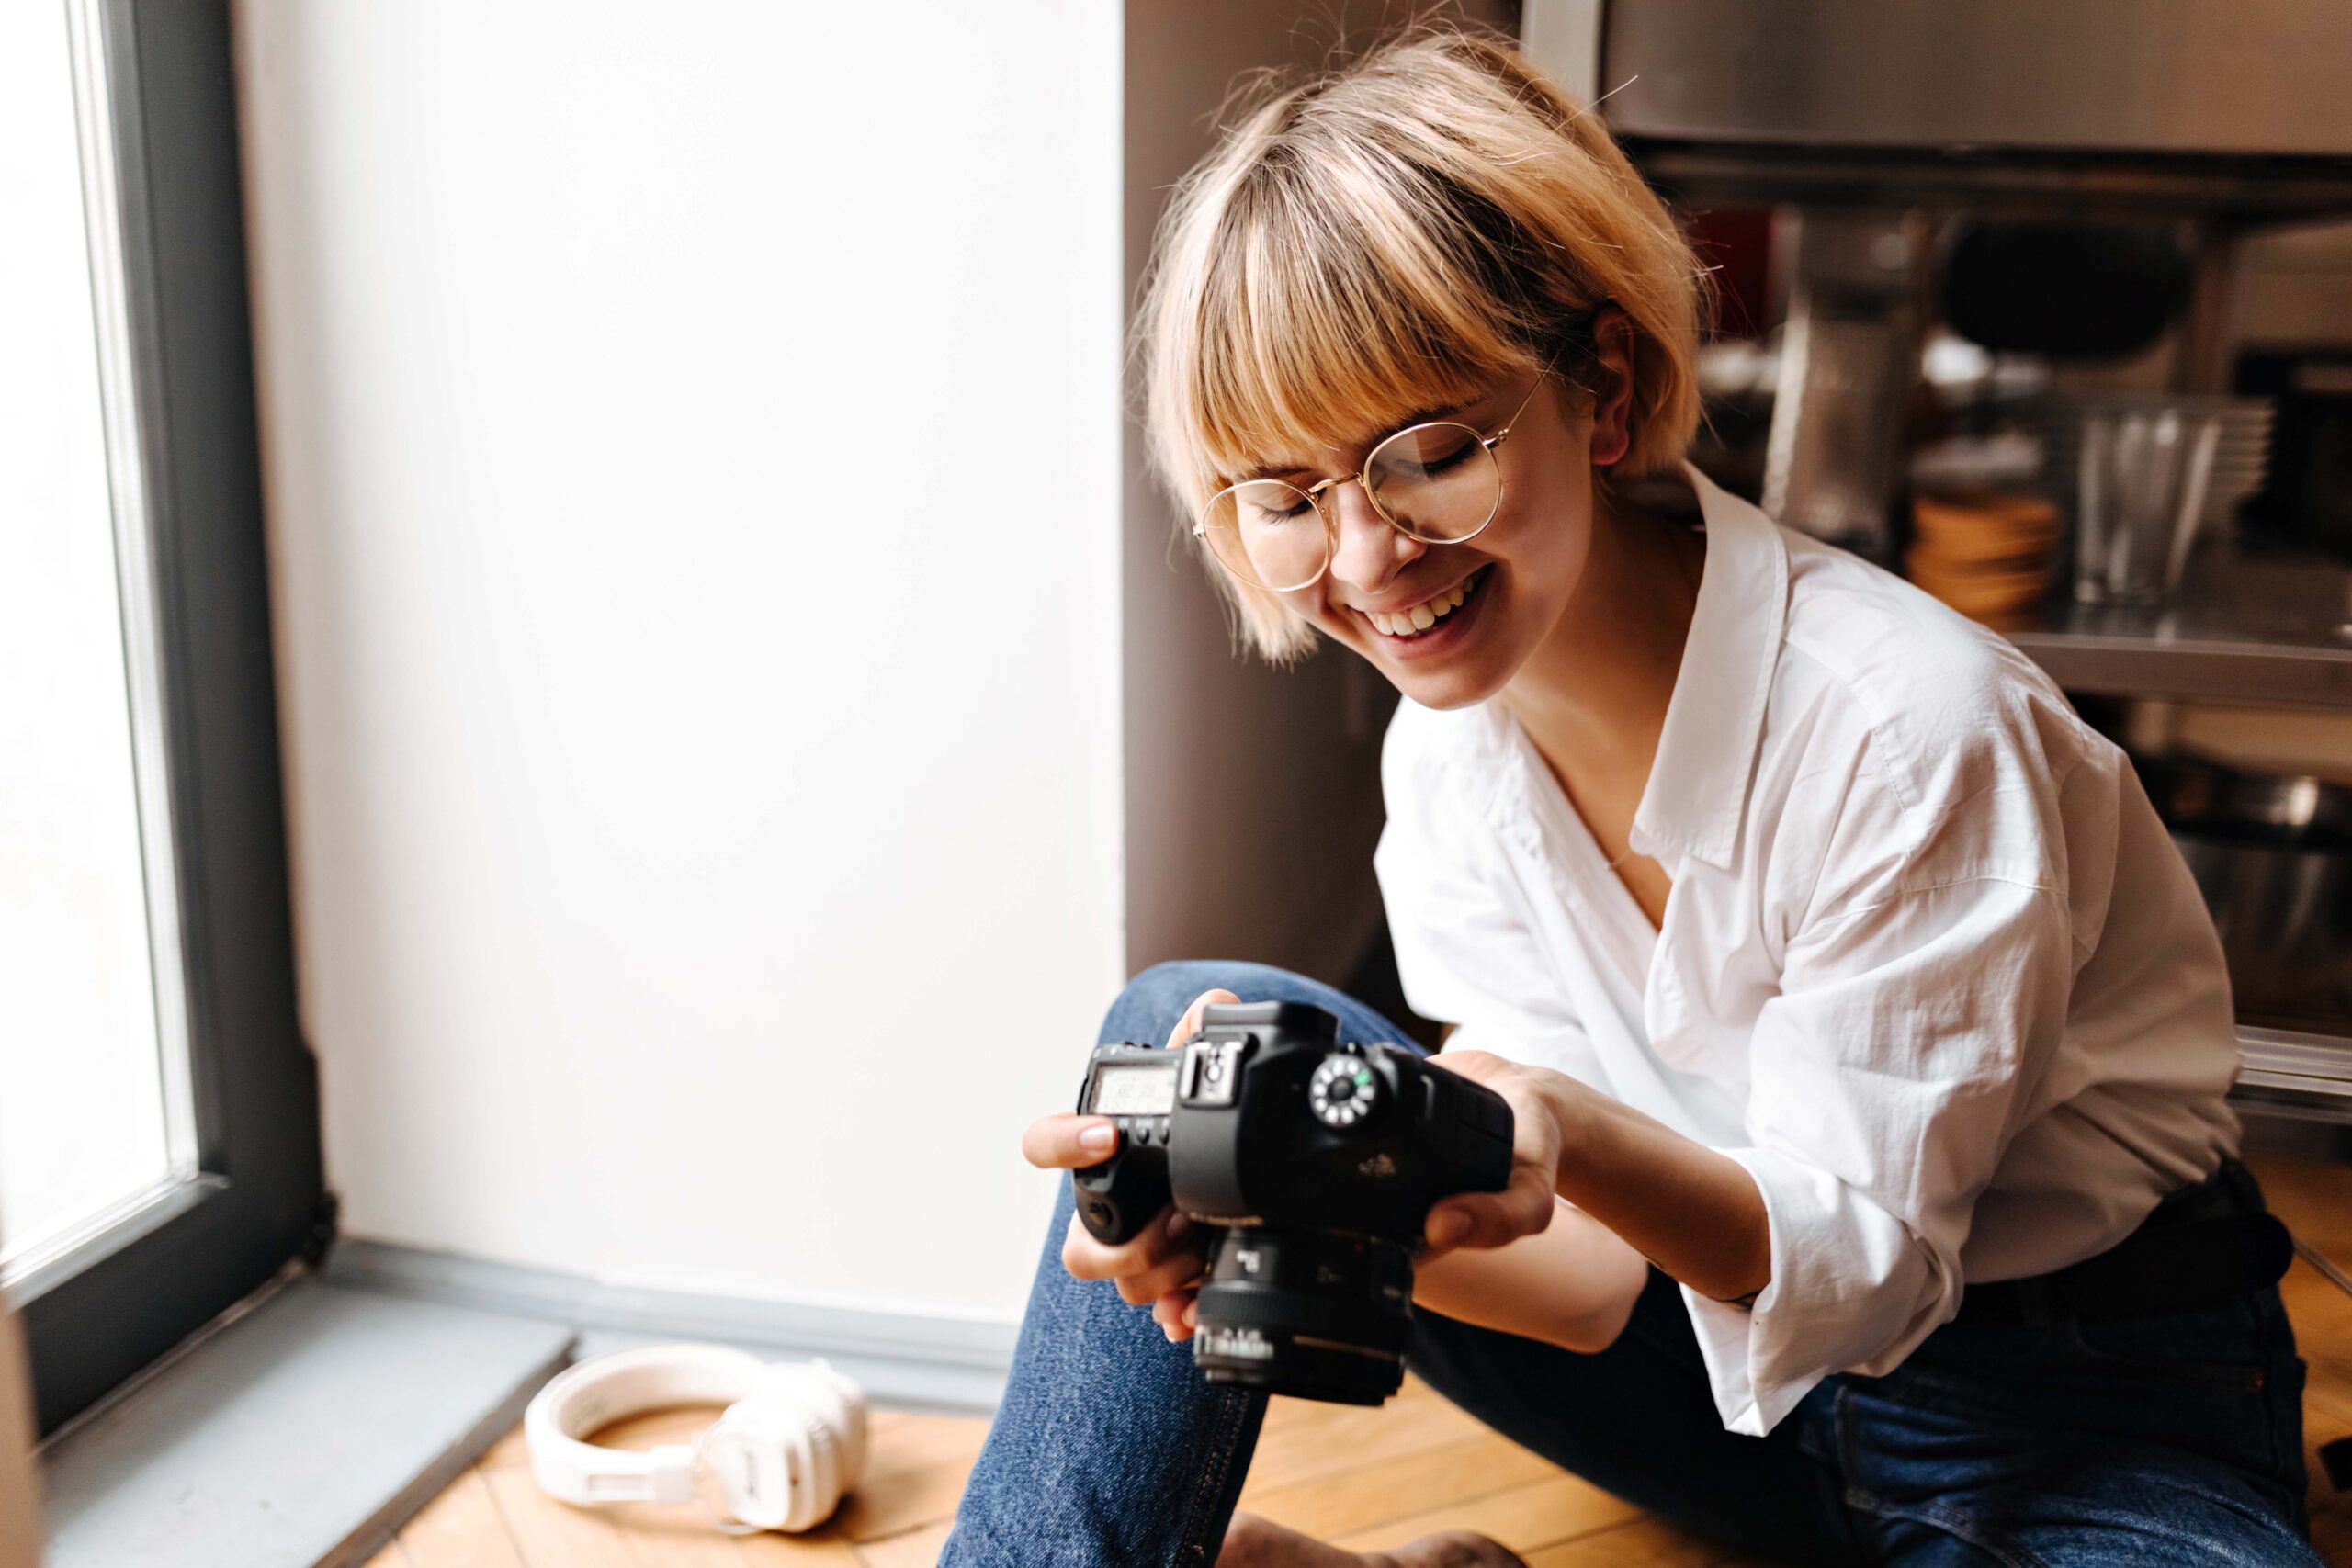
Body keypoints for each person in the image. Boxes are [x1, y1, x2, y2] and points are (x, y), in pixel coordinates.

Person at [941, 28, 2315, 1568]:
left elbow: (1863, 1279)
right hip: (1719, 1390)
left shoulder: (1912, 732)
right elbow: (1587, 1276)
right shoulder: (1450, 758)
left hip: (2074, 1401)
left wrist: (1562, 1130)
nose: (1372, 559)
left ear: (1599, 388)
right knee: (1190, 1039)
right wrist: (1265, 1198)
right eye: (1287, 498)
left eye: (1432, 453)